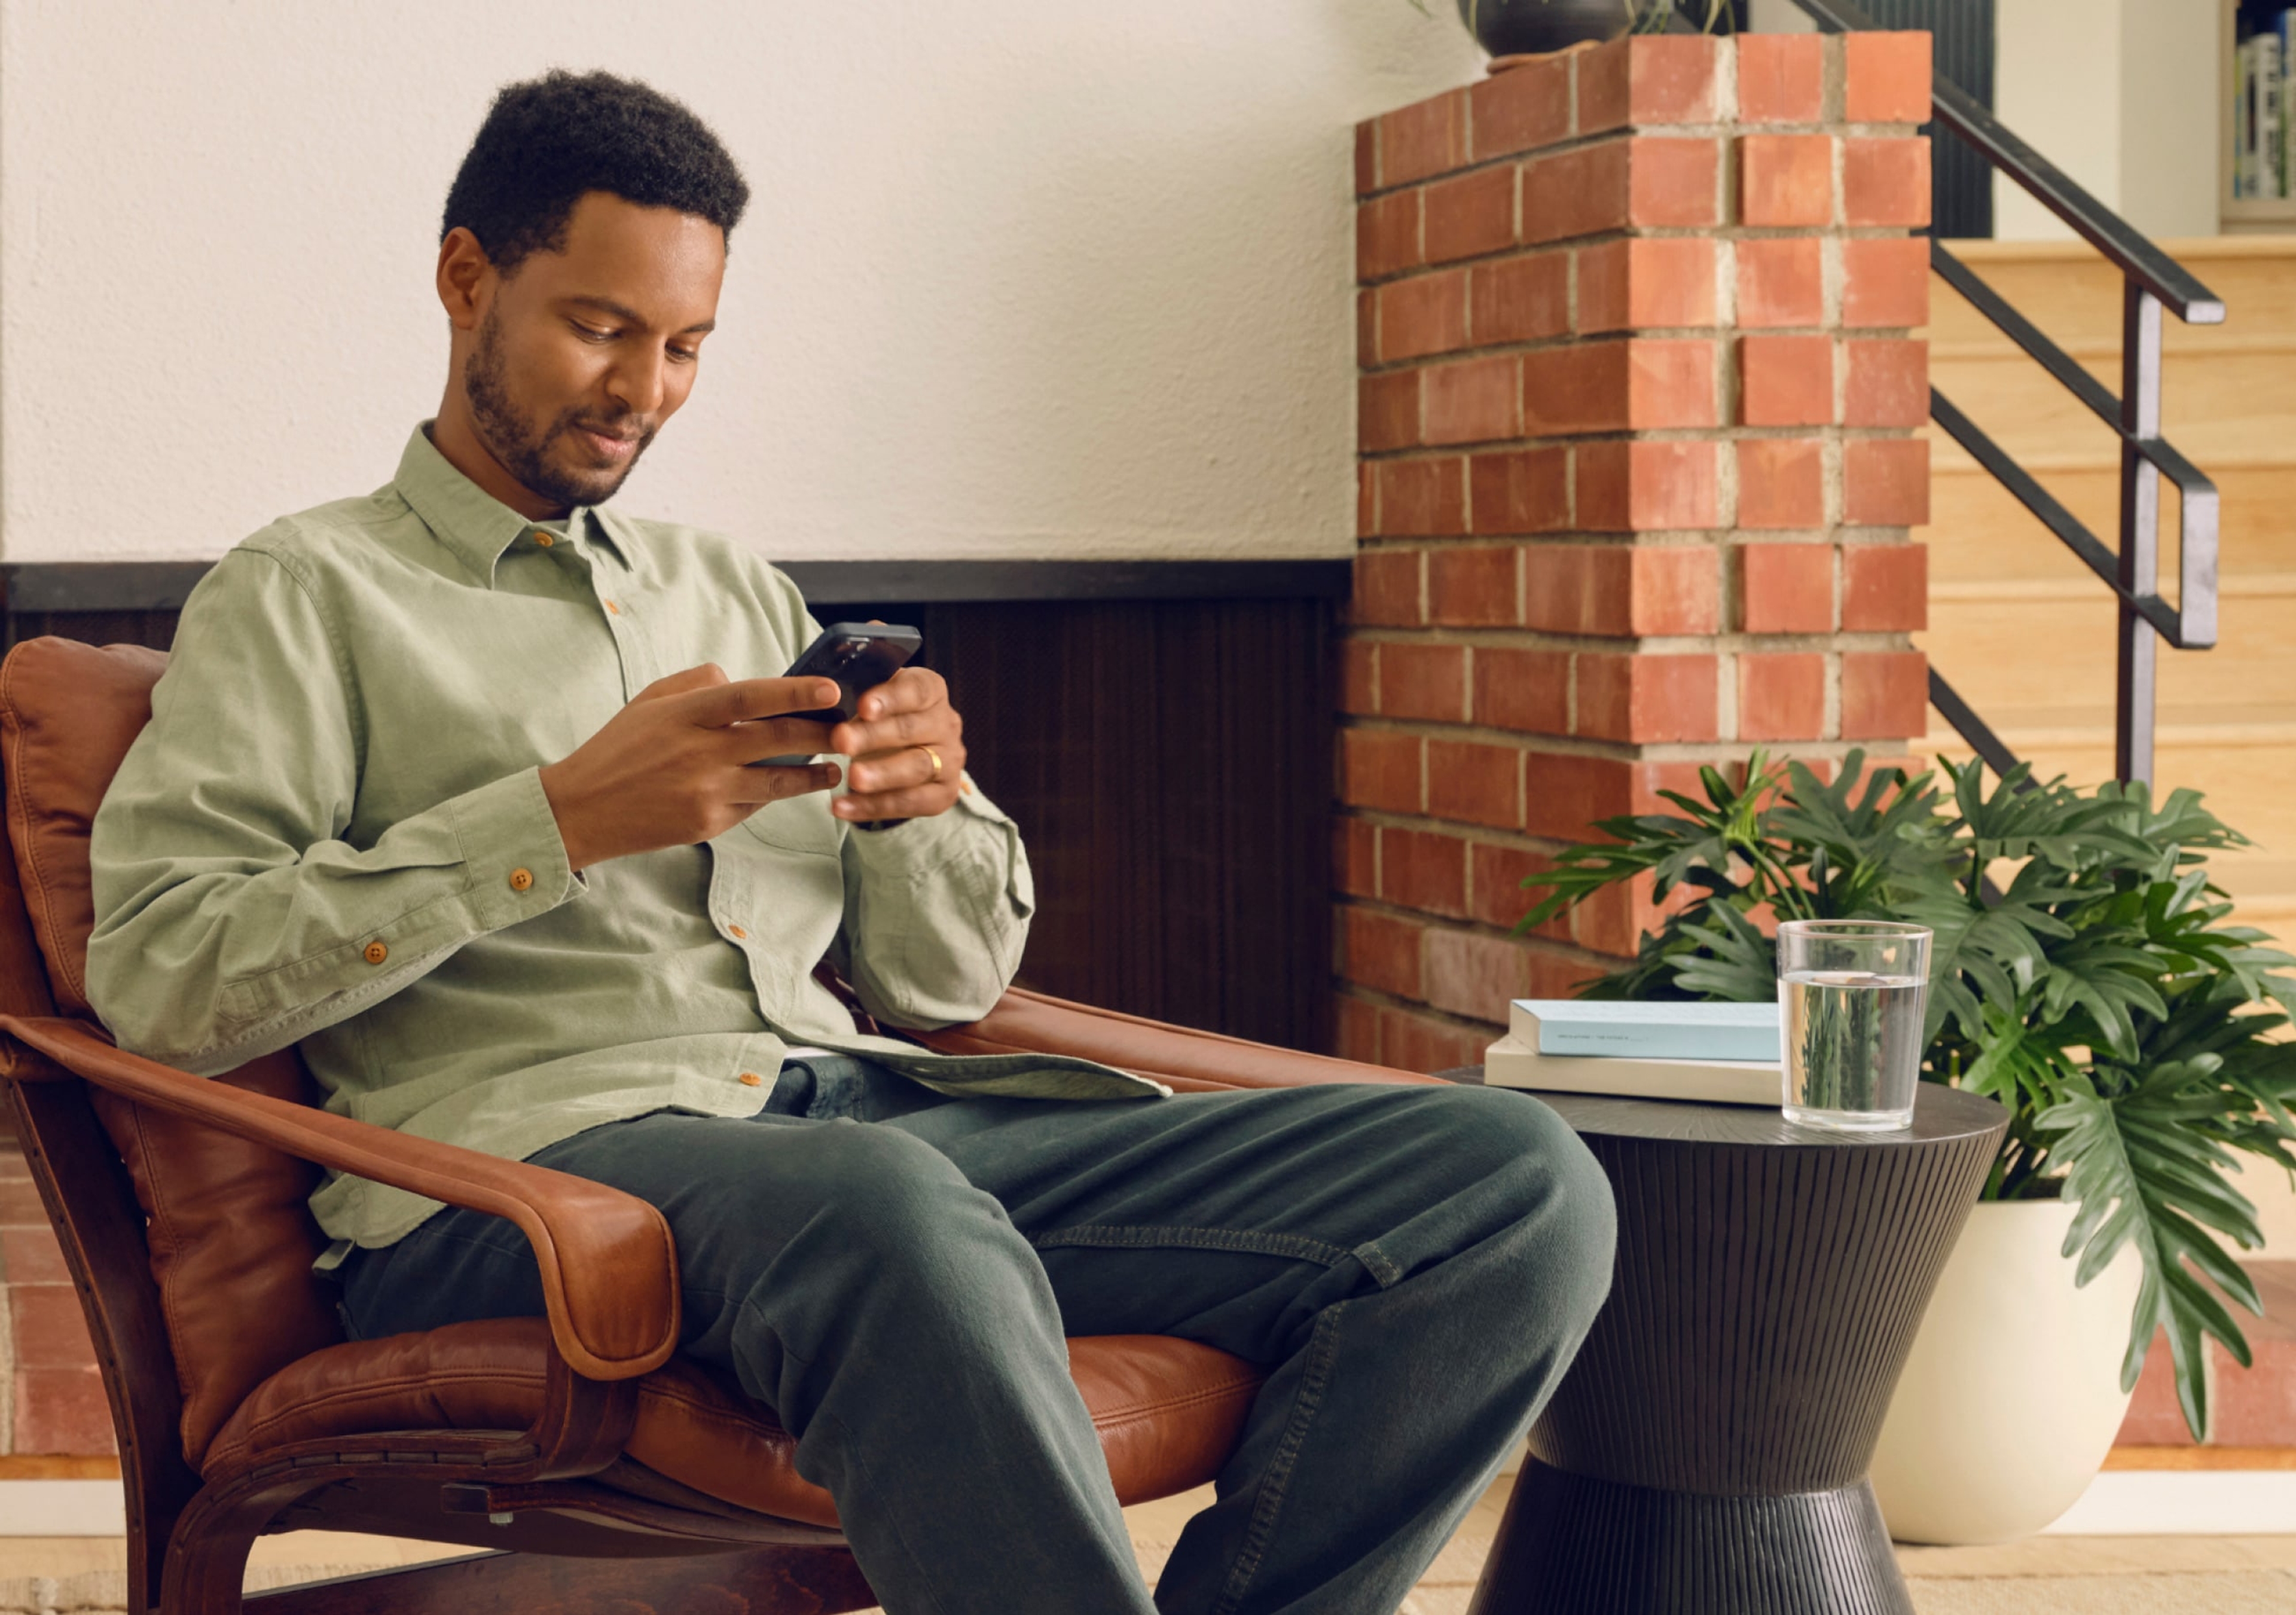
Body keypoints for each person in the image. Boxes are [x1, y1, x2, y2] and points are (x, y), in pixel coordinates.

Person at [84, 69, 1615, 1615]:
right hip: (530, 1196)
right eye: (602, 329)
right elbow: (162, 978)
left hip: (873, 1139)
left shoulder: (734, 590)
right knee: (875, 1202)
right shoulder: (304, 592)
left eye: (686, 347)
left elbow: (946, 978)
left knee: (1510, 1181)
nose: (645, 390)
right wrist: (558, 822)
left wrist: (925, 807)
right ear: (467, 278)